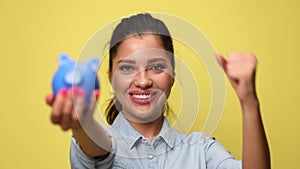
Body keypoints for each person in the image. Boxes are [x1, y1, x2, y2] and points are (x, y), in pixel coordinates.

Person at [46, 13, 270, 169]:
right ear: (111, 76)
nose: (143, 81)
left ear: (172, 75)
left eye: (156, 67)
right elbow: (98, 148)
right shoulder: (102, 141)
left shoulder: (200, 150)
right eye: (127, 68)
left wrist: (249, 103)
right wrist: (81, 123)